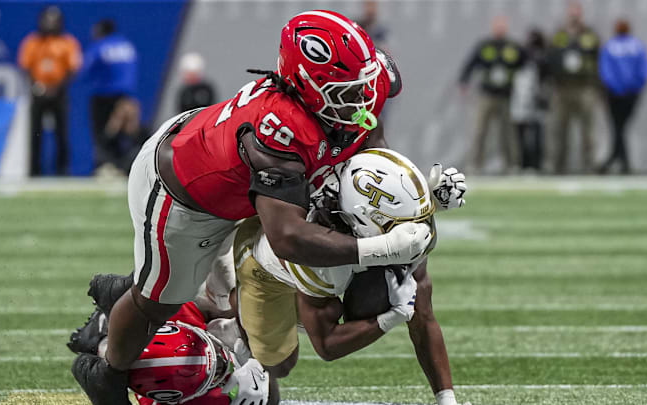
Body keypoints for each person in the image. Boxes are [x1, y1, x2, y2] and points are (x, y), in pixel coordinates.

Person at [71, 11, 437, 405]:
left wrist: (410, 185)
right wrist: (382, 249)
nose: (364, 100)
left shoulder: (350, 90)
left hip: (233, 169)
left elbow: (369, 139)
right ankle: (108, 372)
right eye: (348, 92)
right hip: (186, 192)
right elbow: (287, 238)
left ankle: (134, 286)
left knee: (233, 299)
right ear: (310, 88)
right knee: (157, 302)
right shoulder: (278, 132)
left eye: (364, 86)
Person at [230, 149, 469, 405]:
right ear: (363, 224)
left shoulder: (362, 209)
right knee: (279, 366)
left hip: (337, 260)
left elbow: (423, 315)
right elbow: (326, 344)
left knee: (399, 284)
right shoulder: (320, 258)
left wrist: (447, 400)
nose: (413, 230)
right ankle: (227, 312)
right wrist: (391, 317)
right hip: (265, 271)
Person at [68, 294, 268, 405]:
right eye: (214, 374)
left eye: (215, 353)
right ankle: (103, 342)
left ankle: (104, 339)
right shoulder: (208, 400)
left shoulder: (175, 310)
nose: (225, 362)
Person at [18, 6, 82, 176]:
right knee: (35, 133)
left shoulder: (67, 42)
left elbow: (72, 68)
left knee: (61, 132)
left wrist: (56, 88)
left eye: (53, 21)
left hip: (59, 92)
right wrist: (37, 86)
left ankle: (62, 169)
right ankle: (34, 170)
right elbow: (26, 67)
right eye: (47, 20)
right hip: (38, 92)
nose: (50, 24)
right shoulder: (32, 42)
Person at [459, 16, 526, 173]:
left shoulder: (513, 47)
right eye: (497, 26)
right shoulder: (484, 46)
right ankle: (475, 164)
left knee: (508, 132)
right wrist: (464, 81)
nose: (500, 29)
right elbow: (470, 63)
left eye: (502, 26)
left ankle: (512, 164)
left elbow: (527, 62)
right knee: (480, 130)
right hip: (487, 95)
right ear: (492, 27)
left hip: (505, 95)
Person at [80, 19, 140, 176]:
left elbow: (86, 69)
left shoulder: (99, 47)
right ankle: (123, 165)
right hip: (125, 95)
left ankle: (105, 165)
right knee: (122, 131)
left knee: (104, 132)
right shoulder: (126, 46)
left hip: (103, 95)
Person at [547, 1, 600, 174]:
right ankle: (557, 167)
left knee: (588, 130)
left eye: (577, 11)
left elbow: (599, 58)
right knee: (559, 129)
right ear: (567, 13)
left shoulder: (590, 35)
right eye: (571, 11)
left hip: (584, 87)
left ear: (581, 14)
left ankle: (589, 166)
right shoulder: (559, 35)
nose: (574, 15)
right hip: (562, 88)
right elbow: (550, 58)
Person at [598, 19, 647, 175]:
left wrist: (616, 88)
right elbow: (644, 71)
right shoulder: (638, 46)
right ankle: (620, 161)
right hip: (631, 94)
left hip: (615, 94)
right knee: (620, 127)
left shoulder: (610, 46)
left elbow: (605, 71)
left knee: (618, 127)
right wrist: (633, 88)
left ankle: (615, 160)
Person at [511, 29, 550, 172]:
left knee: (537, 133)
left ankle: (537, 163)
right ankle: (522, 163)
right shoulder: (520, 58)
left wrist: (543, 97)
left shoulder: (544, 58)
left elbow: (547, 80)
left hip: (536, 100)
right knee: (521, 134)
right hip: (521, 100)